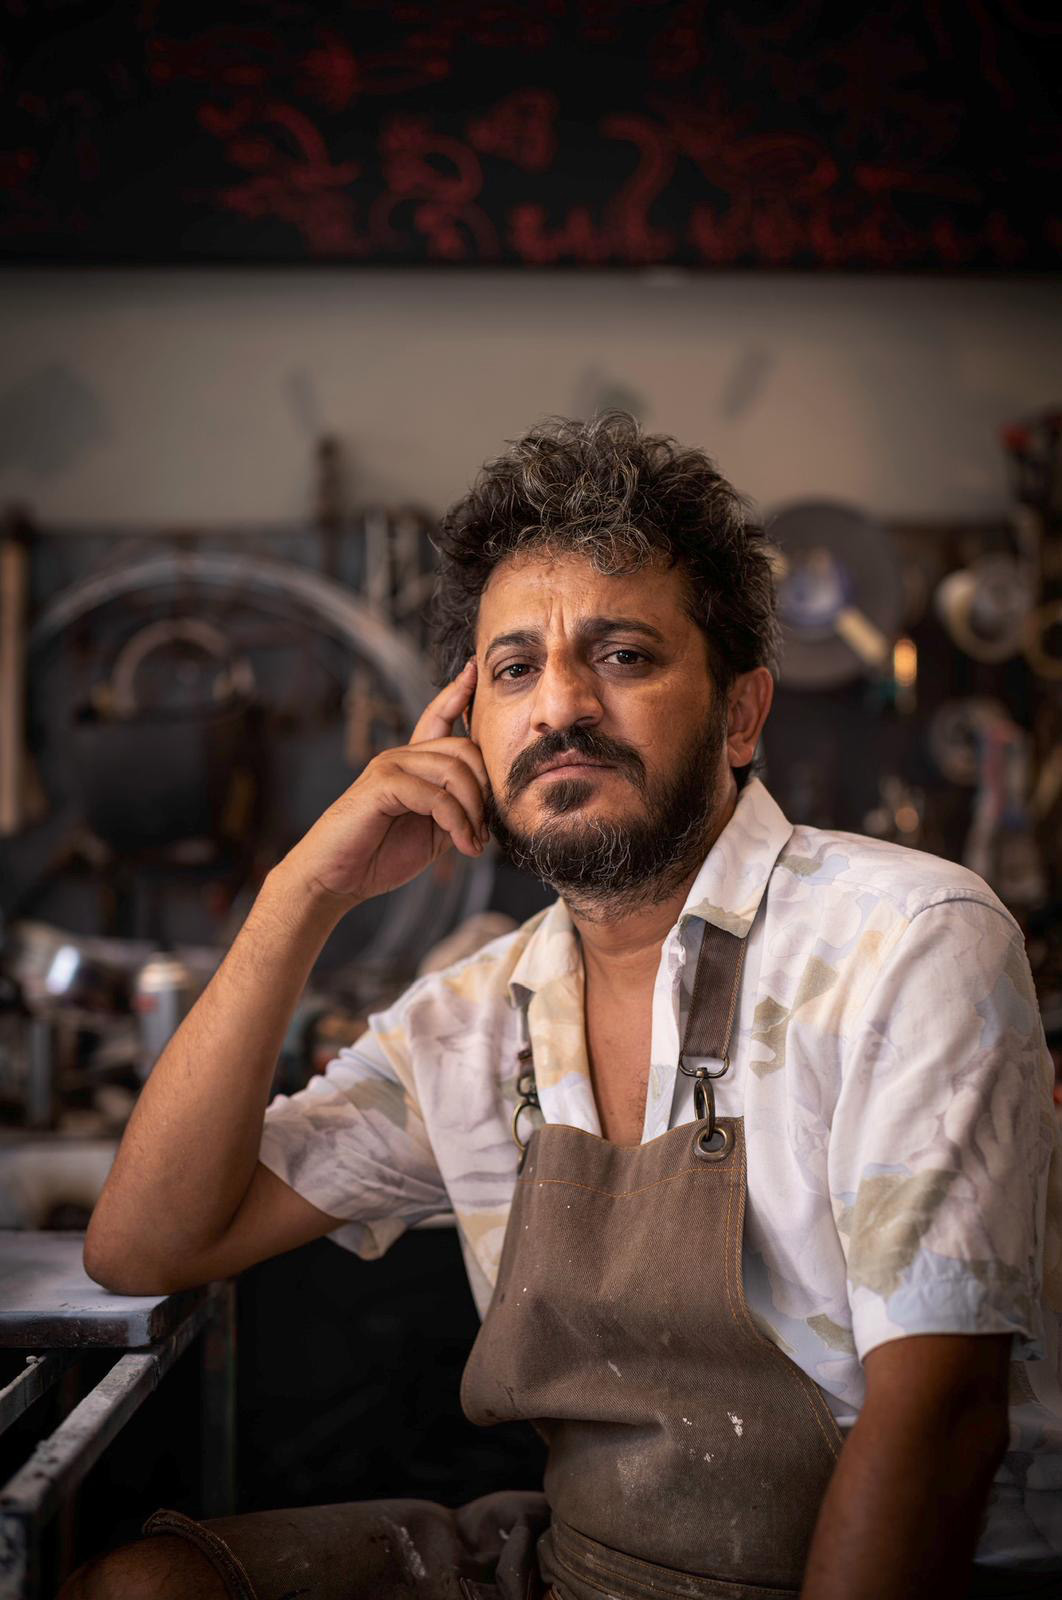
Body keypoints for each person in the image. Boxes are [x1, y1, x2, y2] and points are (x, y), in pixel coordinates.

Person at [67, 414, 1060, 1600]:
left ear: (742, 714)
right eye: (514, 670)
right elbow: (144, 1245)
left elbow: (942, 1422)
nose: (561, 707)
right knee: (144, 1588)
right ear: (470, 730)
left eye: (624, 655)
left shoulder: (906, 939)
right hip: (579, 1567)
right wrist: (303, 893)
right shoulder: (474, 1022)